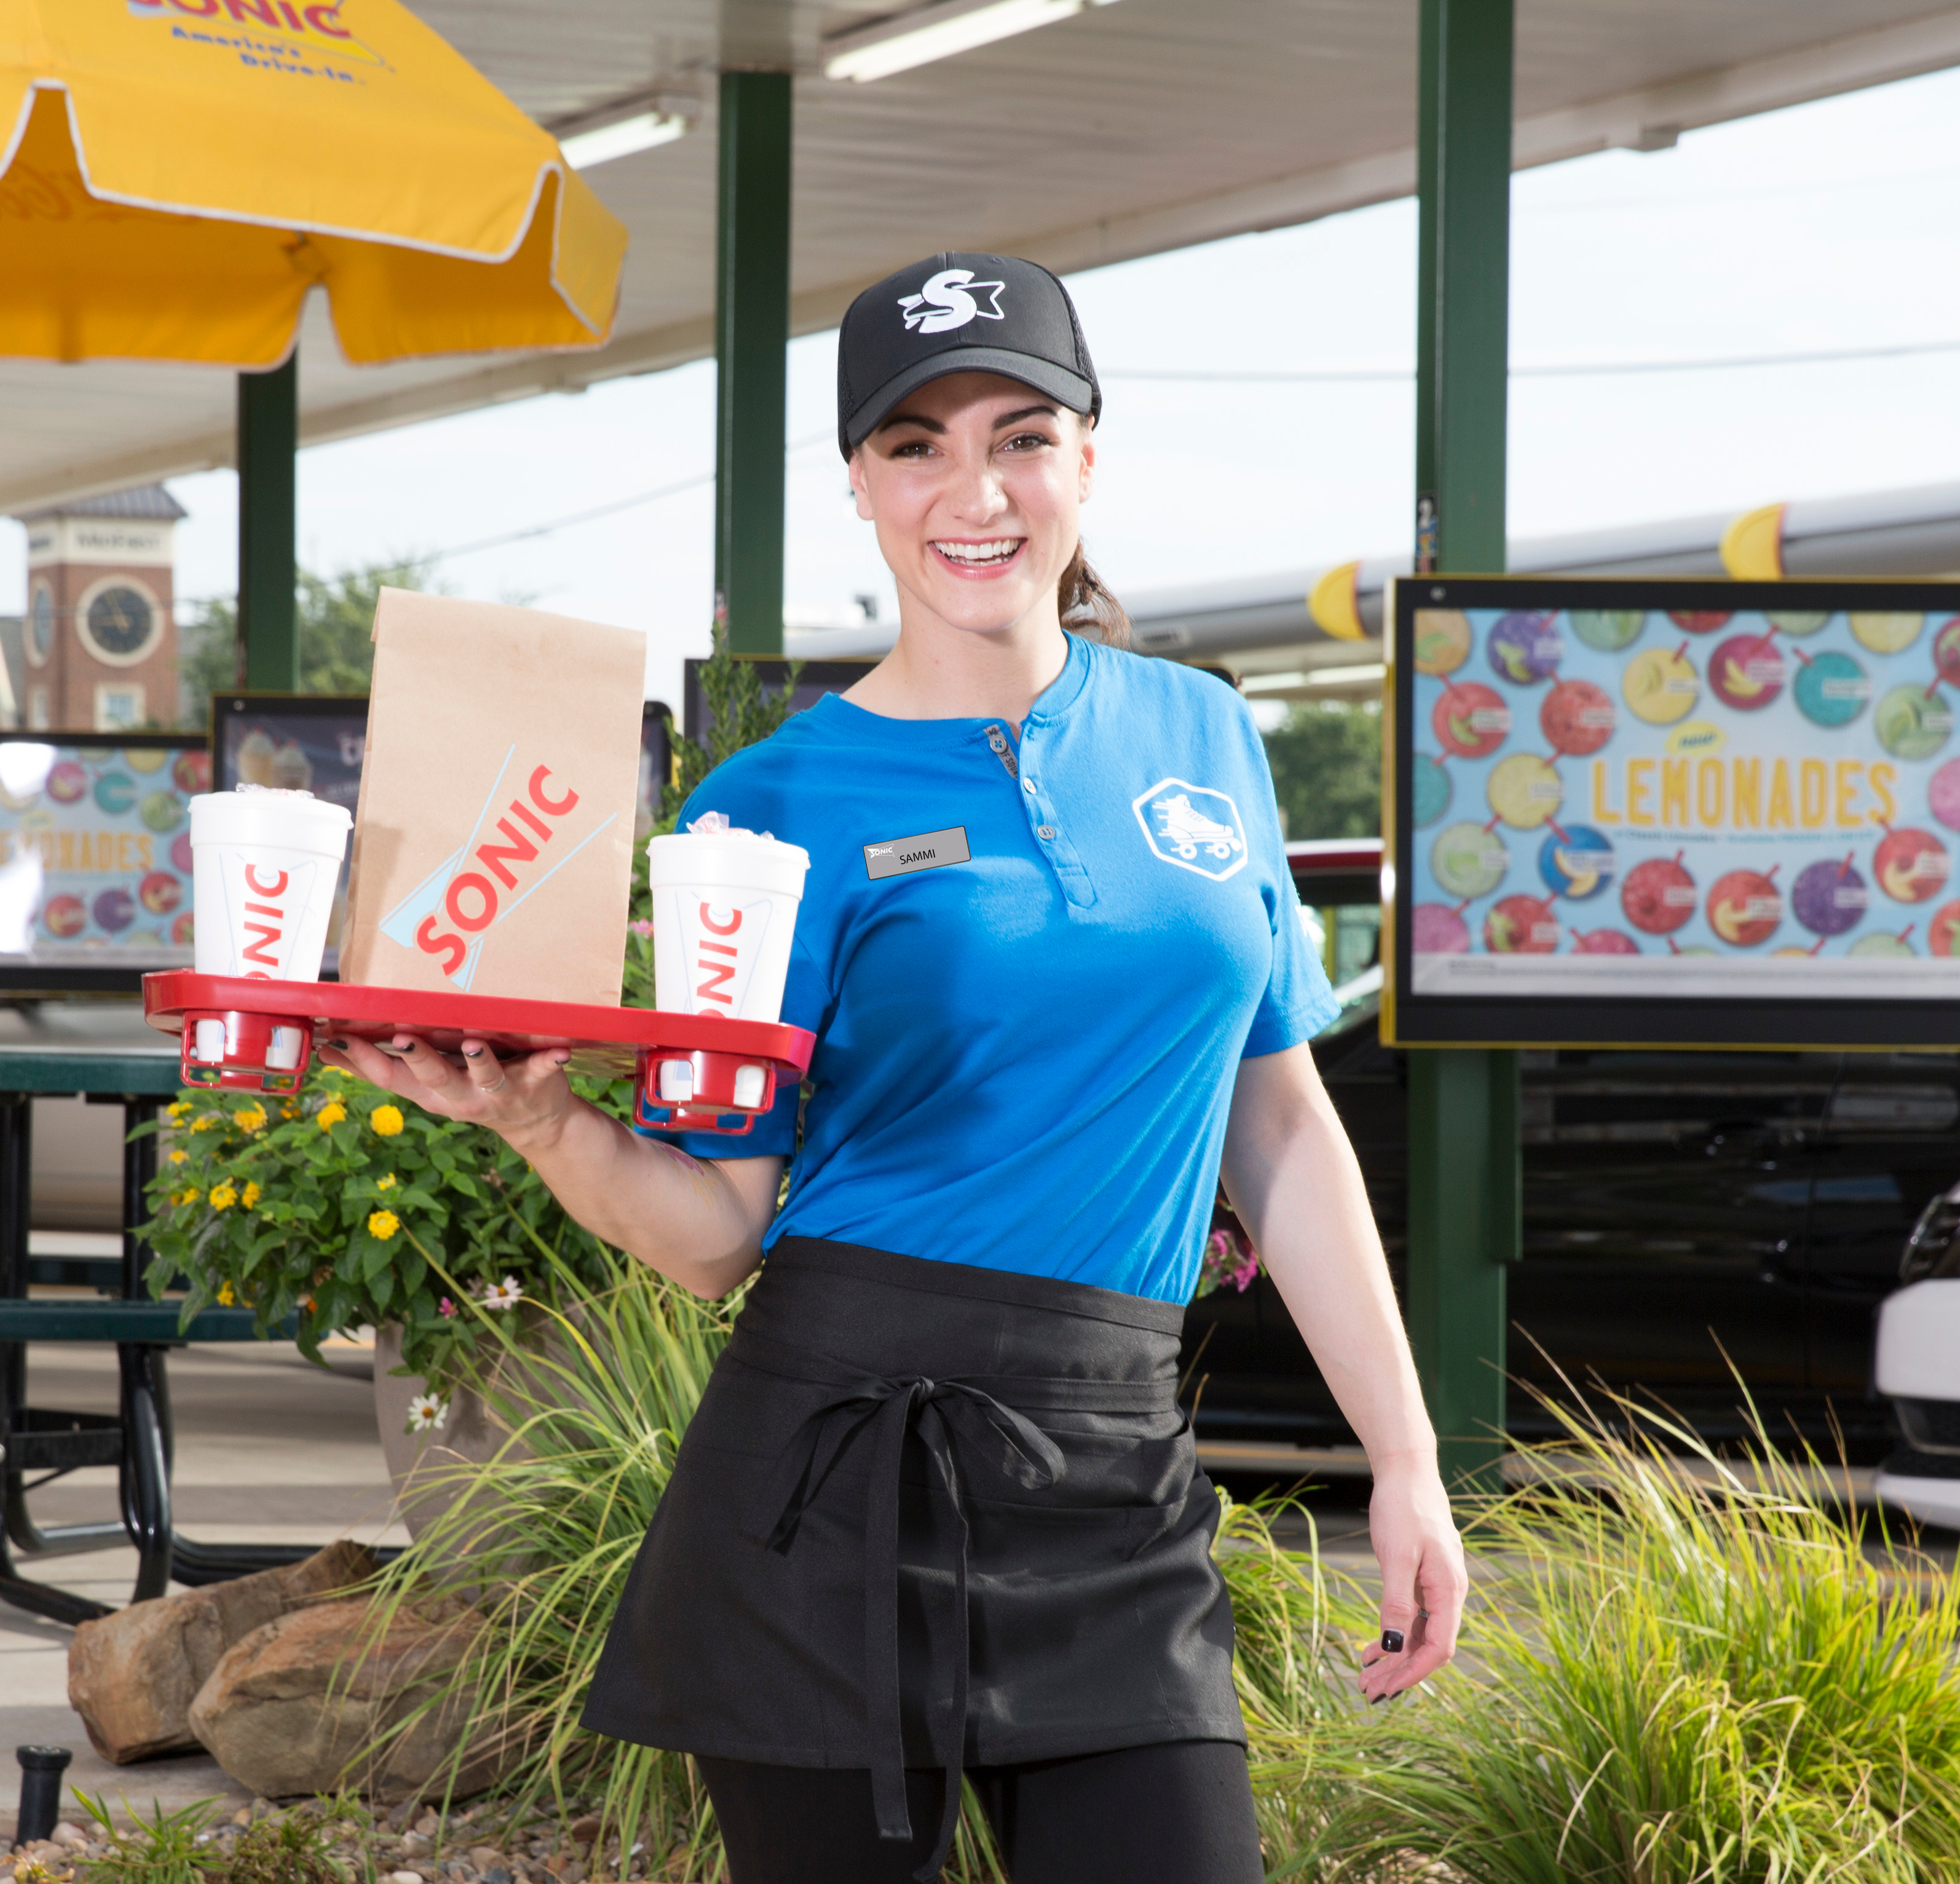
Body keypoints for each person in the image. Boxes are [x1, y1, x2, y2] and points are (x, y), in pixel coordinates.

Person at [325, 251, 1466, 1884]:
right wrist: (541, 1119)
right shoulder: (764, 808)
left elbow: (1277, 1125)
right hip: (822, 1487)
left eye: (1019, 434)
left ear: (1089, 456)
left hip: (1115, 1471)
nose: (973, 489)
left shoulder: (1204, 734)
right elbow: (719, 1236)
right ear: (859, 484)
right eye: (917, 444)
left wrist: (1408, 1464)